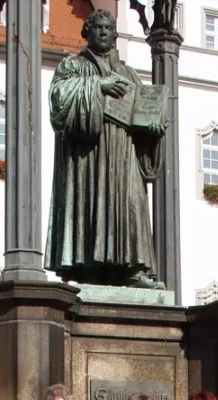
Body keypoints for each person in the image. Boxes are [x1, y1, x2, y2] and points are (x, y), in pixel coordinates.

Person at [44, 10, 165, 288]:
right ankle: (86, 269)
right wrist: (99, 85)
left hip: (124, 154)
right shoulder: (72, 66)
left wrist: (153, 133)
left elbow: (142, 112)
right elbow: (58, 101)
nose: (103, 32)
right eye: (97, 27)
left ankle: (133, 271)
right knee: (90, 202)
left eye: (108, 28)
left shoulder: (129, 73)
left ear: (114, 34)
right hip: (88, 155)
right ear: (88, 30)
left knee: (132, 203)